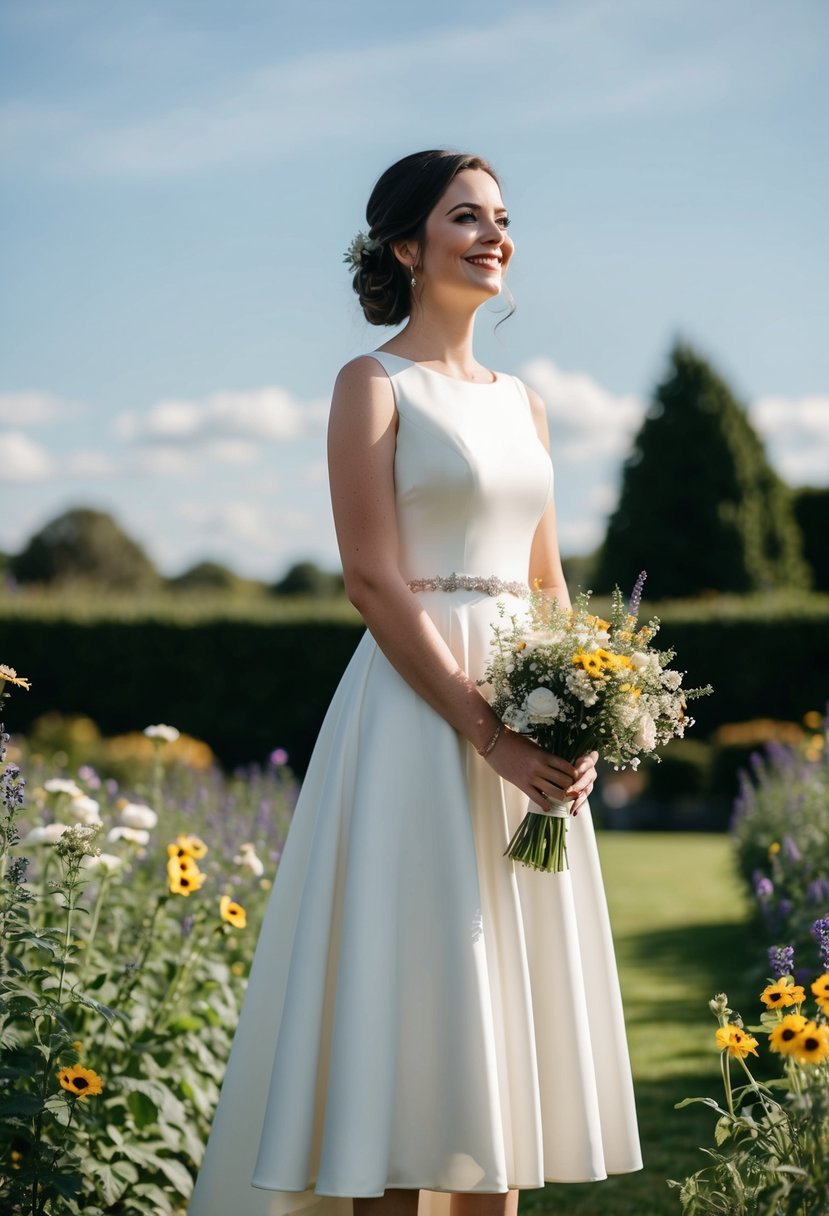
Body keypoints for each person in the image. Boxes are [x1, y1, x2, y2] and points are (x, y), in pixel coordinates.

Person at [189, 150, 642, 1216]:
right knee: (408, 999)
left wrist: (585, 703)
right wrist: (490, 734)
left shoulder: (525, 402)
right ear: (406, 246)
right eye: (465, 218)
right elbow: (370, 577)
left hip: (531, 711)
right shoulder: (373, 383)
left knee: (507, 1015)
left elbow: (546, 578)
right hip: (414, 714)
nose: (494, 236)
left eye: (500, 217)